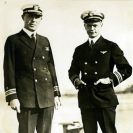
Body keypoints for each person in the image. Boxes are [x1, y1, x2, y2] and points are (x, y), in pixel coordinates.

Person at [68, 10, 132, 133]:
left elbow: (126, 69)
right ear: (84, 26)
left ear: (101, 25)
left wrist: (110, 79)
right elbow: (72, 71)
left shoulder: (111, 46)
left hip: (105, 98)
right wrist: (77, 81)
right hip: (86, 99)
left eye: (95, 25)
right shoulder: (80, 49)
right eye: (89, 25)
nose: (92, 28)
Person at [3, 4, 61, 133]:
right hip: (26, 98)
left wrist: (56, 94)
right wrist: (12, 97)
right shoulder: (13, 40)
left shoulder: (44, 41)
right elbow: (9, 69)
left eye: (37, 17)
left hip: (47, 97)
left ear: (41, 19)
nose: (33, 20)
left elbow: (51, 67)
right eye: (30, 16)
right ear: (23, 17)